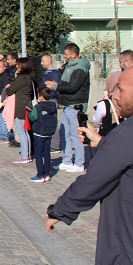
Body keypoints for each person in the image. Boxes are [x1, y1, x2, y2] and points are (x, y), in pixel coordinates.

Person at [45, 65, 133, 265]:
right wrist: (102, 142)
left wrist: (59, 210)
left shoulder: (130, 134)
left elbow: (95, 180)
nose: (114, 95)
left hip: (129, 259)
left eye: (120, 89)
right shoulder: (127, 137)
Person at [47, 42, 90, 174]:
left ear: (73, 54)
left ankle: (79, 163)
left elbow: (73, 87)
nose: (64, 57)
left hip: (75, 105)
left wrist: (55, 87)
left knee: (74, 134)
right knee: (64, 133)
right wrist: (58, 84)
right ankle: (67, 161)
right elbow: (66, 83)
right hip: (67, 105)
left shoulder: (80, 68)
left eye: (66, 54)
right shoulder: (68, 66)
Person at [6, 57, 35, 164]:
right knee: (25, 131)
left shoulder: (22, 78)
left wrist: (9, 87)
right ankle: (27, 153)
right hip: (26, 106)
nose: (17, 67)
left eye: (18, 65)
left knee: (22, 132)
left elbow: (10, 90)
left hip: (21, 107)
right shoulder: (29, 77)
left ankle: (24, 155)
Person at [29, 87, 57, 182]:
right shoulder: (53, 105)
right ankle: (47, 174)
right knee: (47, 153)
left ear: (41, 96)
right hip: (49, 132)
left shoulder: (38, 107)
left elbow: (32, 117)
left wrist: (29, 113)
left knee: (38, 154)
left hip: (39, 133)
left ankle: (40, 175)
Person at [41, 54, 63, 152]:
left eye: (43, 61)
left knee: (53, 123)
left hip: (52, 99)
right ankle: (52, 144)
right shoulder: (48, 73)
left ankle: (55, 146)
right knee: (49, 122)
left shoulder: (54, 73)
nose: (41, 63)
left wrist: (57, 100)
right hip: (47, 99)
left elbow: (56, 88)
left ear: (49, 61)